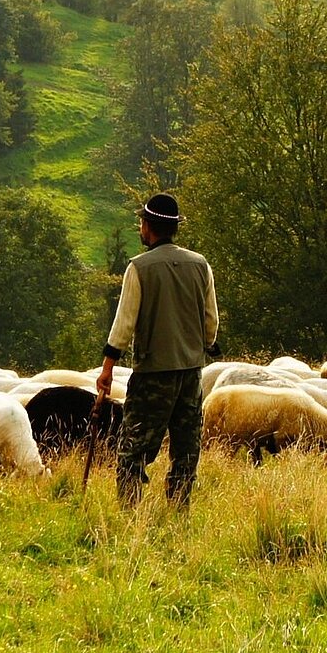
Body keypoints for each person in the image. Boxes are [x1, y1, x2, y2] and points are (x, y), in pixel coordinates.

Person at [96, 192, 219, 508]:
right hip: (191, 373)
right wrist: (202, 346)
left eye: (141, 222)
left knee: (133, 448)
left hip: (153, 374)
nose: (140, 228)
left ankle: (130, 515)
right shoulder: (200, 265)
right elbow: (210, 321)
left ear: (148, 226)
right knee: (186, 448)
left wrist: (108, 367)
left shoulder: (139, 267)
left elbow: (124, 323)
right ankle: (179, 511)